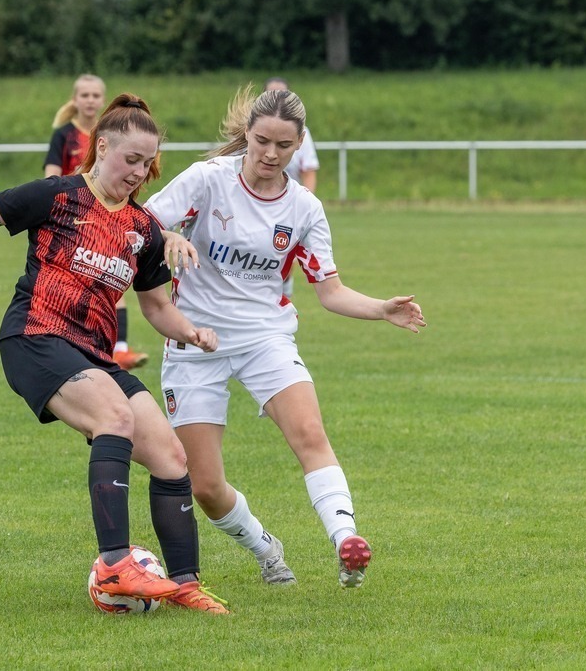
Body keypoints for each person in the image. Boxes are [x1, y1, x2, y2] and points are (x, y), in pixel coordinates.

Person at [0, 92, 228, 614]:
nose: (139, 172)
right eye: (131, 159)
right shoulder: (58, 196)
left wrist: (192, 331)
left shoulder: (143, 228)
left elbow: (155, 308)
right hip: (36, 336)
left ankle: (186, 586)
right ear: (102, 147)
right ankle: (114, 565)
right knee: (115, 416)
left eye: (148, 164)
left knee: (172, 458)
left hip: (92, 354)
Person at [143, 85, 426, 589]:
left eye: (283, 146)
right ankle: (265, 547)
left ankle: (346, 542)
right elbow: (141, 221)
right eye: (261, 141)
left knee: (310, 436)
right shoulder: (208, 181)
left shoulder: (304, 209)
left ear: (299, 146)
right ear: (246, 136)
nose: (270, 154)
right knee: (205, 485)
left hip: (266, 339)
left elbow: (331, 292)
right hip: (193, 341)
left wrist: (382, 309)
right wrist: (170, 235)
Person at [43, 74, 148, 371]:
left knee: (114, 277)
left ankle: (119, 350)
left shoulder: (111, 132)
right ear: (75, 99)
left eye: (94, 96)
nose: (89, 100)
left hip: (108, 216)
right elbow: (51, 177)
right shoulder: (64, 134)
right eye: (84, 95)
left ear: (103, 100)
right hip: (74, 220)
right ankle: (73, 342)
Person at [263, 77, 319, 300]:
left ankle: (282, 300)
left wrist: (303, 212)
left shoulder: (301, 133)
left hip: (286, 208)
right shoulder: (254, 130)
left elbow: (309, 172)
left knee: (284, 260)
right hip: (255, 204)